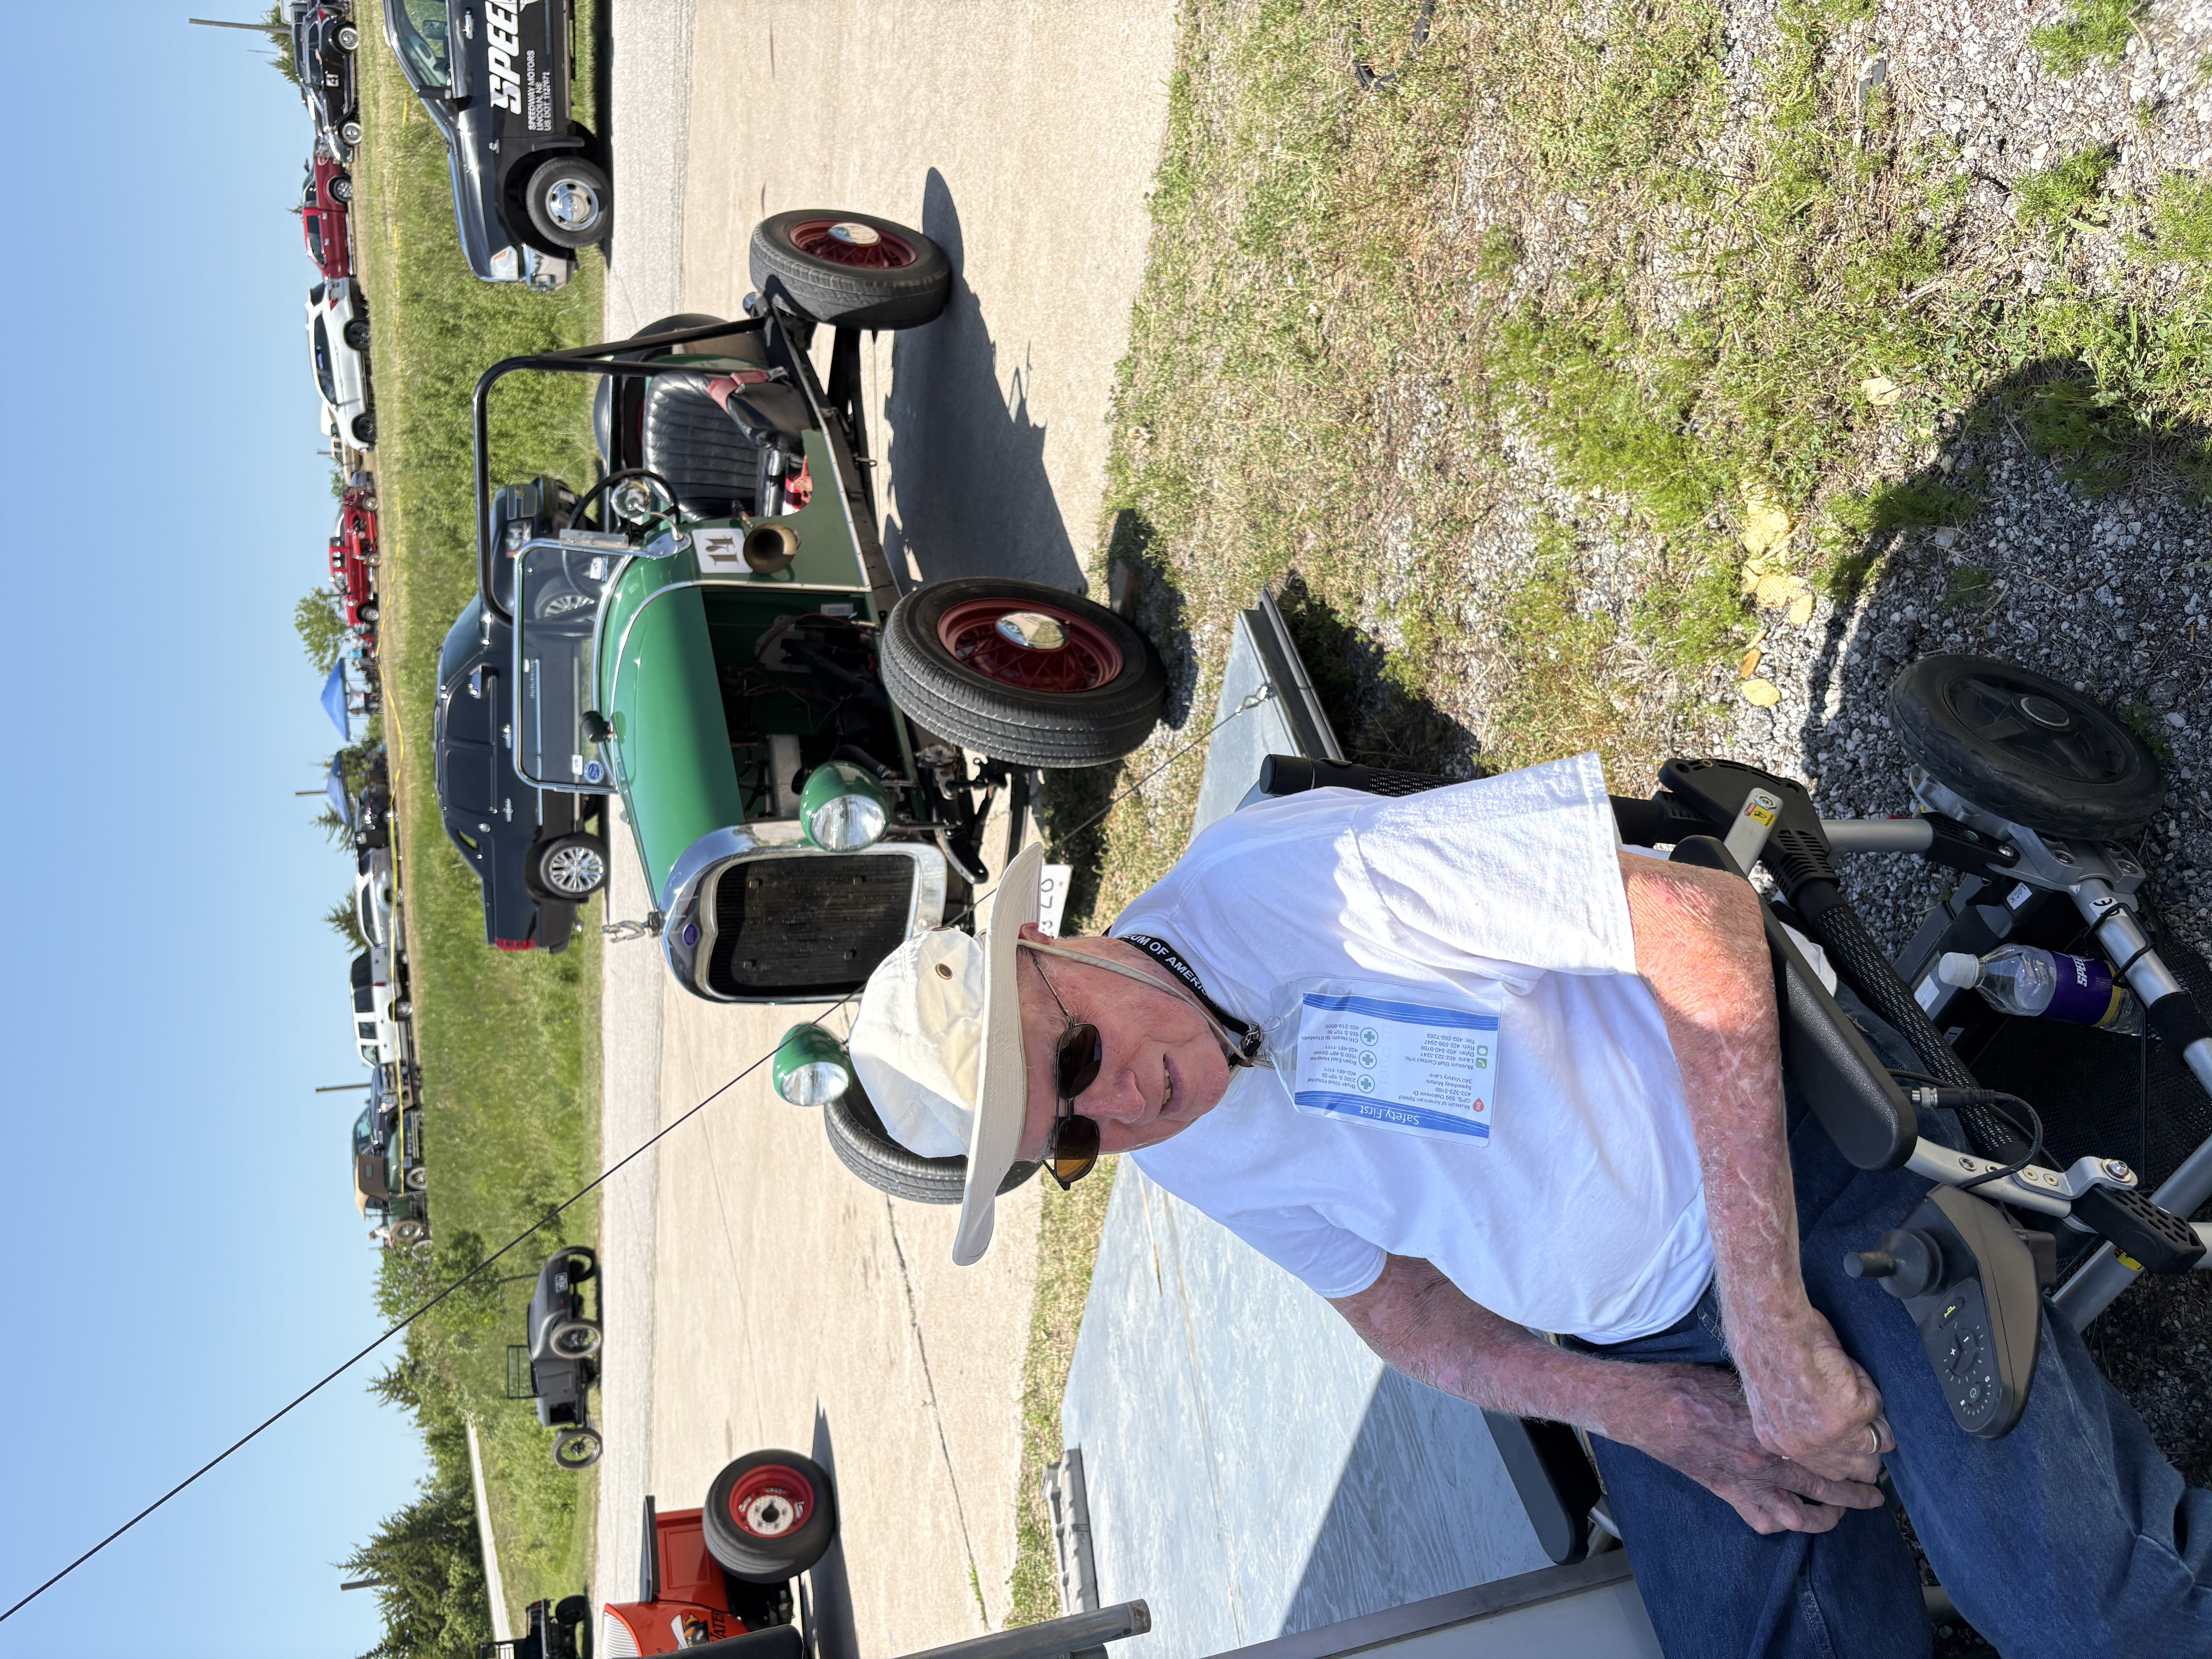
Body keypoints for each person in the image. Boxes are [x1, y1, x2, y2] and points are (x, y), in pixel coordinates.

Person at [848, 755, 2210, 1656]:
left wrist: (1772, 1320)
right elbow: (1400, 1314)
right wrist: (1668, 1415)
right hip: (1646, 1336)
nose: (1122, 1109)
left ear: (1044, 942)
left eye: (1072, 1055)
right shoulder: (1173, 1131)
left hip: (1790, 1164)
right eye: (1068, 1140)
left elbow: (1703, 927)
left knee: (2073, 1608)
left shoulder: (1309, 887)